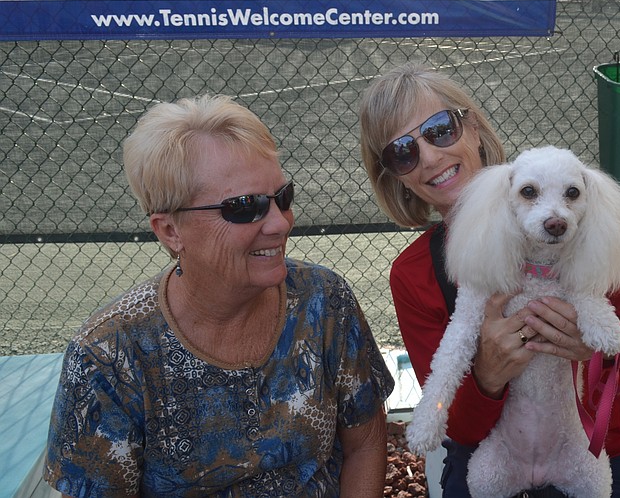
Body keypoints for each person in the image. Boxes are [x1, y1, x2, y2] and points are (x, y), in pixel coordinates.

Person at [44, 95, 394, 497]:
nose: (280, 223)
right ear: (170, 231)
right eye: (245, 207)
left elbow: (365, 443)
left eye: (283, 197)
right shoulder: (109, 357)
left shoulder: (323, 301)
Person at [358, 63, 620, 497]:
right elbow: (454, 422)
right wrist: (488, 374)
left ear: (471, 128)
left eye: (439, 128)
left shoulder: (580, 230)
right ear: (395, 177)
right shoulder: (413, 275)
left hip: (604, 446)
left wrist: (604, 351)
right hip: (488, 454)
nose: (430, 157)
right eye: (402, 152)